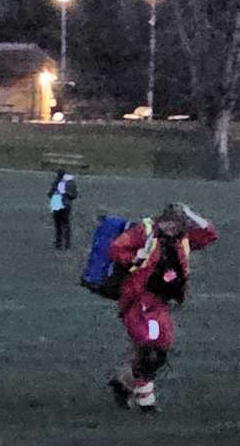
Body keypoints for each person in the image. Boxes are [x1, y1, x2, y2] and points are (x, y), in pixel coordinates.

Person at [104, 203, 218, 414]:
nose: (173, 230)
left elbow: (209, 234)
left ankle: (123, 383)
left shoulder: (183, 238)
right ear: (162, 221)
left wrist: (191, 212)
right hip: (139, 301)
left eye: (178, 225)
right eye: (170, 225)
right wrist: (135, 258)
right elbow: (116, 249)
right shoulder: (145, 232)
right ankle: (145, 399)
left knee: (160, 347)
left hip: (160, 303)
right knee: (151, 344)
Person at [48, 171, 78, 249]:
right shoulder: (70, 183)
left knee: (58, 225)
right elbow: (74, 195)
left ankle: (58, 243)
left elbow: (50, 194)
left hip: (56, 204)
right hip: (65, 206)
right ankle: (67, 243)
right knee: (66, 224)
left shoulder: (56, 182)